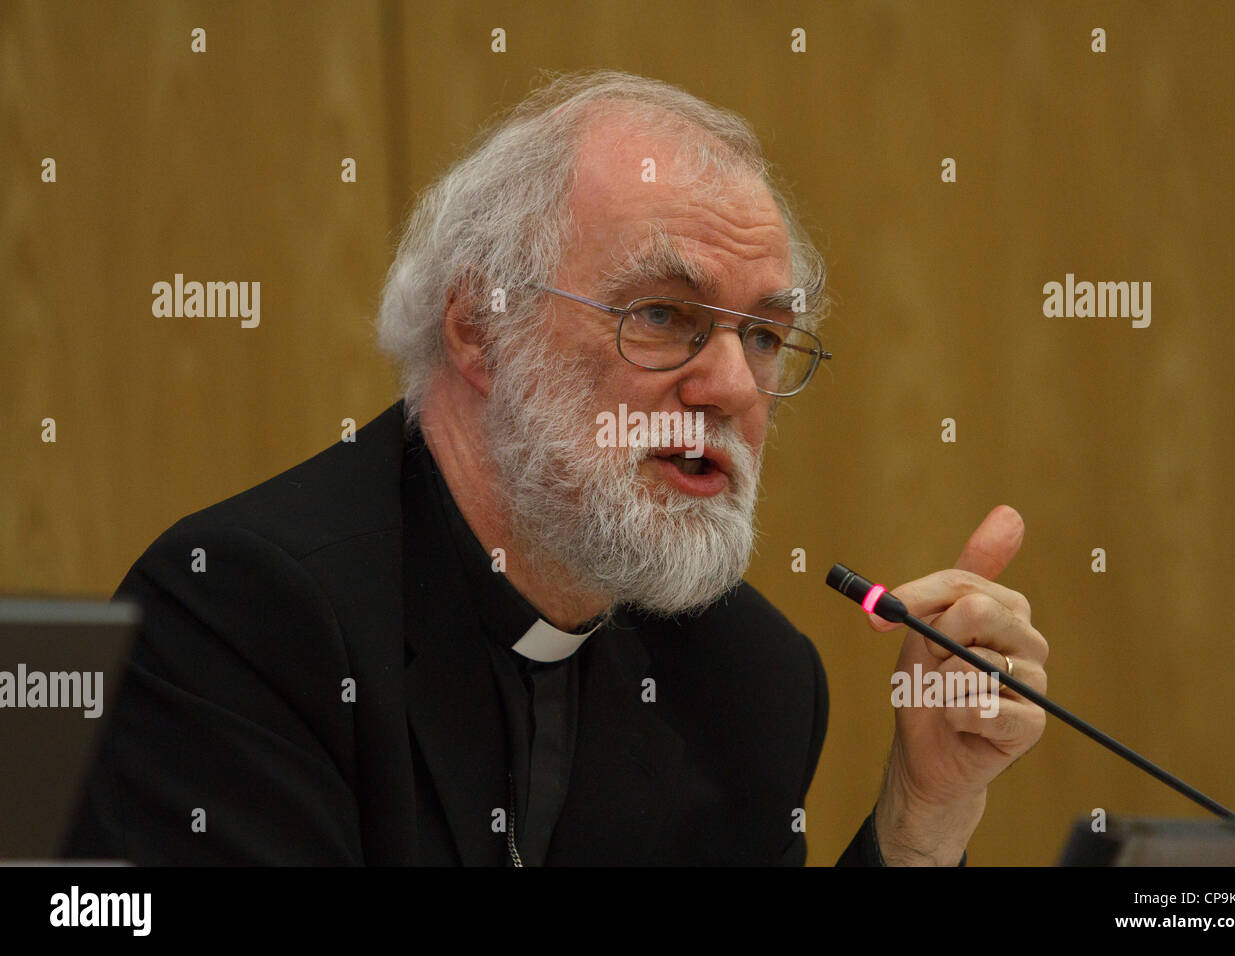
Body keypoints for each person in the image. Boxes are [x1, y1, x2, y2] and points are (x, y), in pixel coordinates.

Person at [63, 70, 1048, 865]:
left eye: (762, 336)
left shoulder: (744, 676)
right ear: (479, 328)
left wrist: (923, 814)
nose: (732, 387)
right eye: (663, 316)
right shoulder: (245, 618)